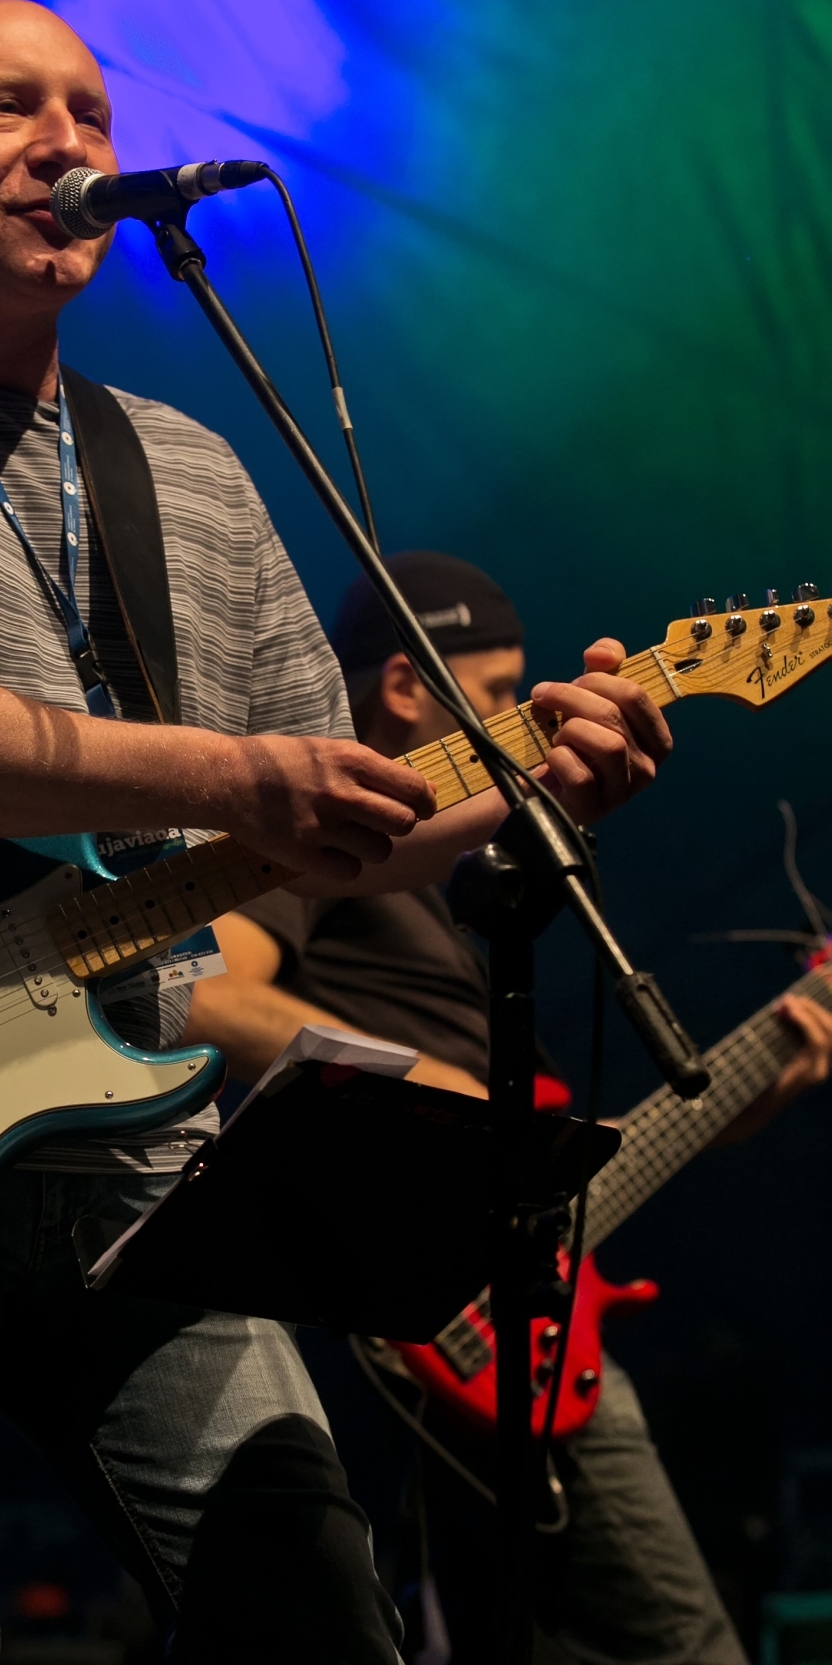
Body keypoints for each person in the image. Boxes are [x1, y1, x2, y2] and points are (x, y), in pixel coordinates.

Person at [0, 0, 671, 1665]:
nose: (69, 142)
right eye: (8, 107)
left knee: (318, 1611)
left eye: (92, 112)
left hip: (140, 1137)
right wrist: (226, 776)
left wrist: (535, 782)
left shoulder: (188, 468)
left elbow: (336, 833)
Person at [187, 550, 832, 1665]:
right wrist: (444, 1099)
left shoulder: (426, 892)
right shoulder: (315, 843)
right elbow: (209, 996)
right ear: (405, 686)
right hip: (428, 1310)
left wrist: (740, 1095)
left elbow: (560, 1159)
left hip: (516, 1306)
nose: (517, 717)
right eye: (494, 692)